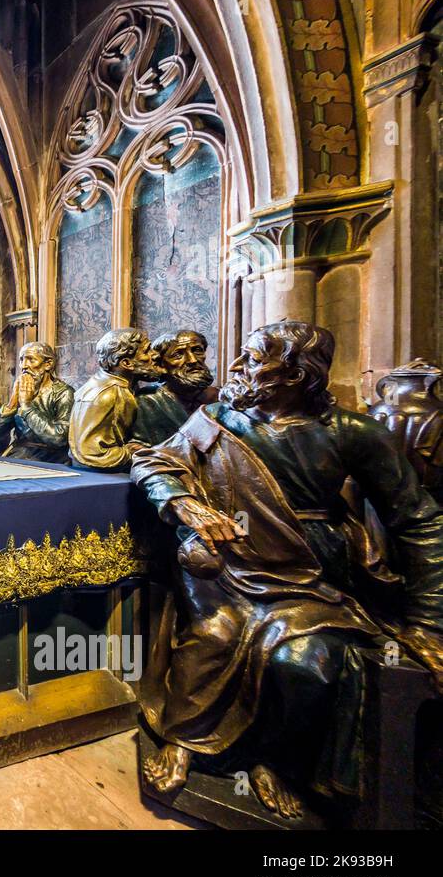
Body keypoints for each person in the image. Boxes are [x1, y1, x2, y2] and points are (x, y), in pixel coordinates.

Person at [132, 321, 443, 817]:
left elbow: (418, 520)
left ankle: (269, 758)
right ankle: (184, 739)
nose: (236, 367)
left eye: (254, 359)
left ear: (297, 374)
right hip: (225, 566)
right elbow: (154, 463)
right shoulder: (217, 419)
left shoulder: (353, 433)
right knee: (214, 635)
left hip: (308, 577)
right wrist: (184, 503)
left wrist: (429, 622)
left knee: (309, 664)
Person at [68, 328, 163, 471]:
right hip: (100, 475)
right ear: (126, 363)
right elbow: (90, 454)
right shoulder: (109, 394)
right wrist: (130, 452)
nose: (155, 355)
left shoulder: (114, 383)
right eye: (146, 351)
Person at [0, 342, 74, 463]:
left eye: (31, 360)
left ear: (48, 364)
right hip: (20, 453)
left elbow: (58, 438)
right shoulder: (22, 390)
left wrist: (26, 406)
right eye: (22, 360)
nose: (24, 366)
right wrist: (12, 404)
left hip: (51, 458)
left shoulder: (64, 393)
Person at [132, 329, 218, 446]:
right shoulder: (147, 402)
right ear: (161, 365)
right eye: (178, 354)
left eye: (197, 350)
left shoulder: (220, 398)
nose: (192, 360)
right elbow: (139, 449)